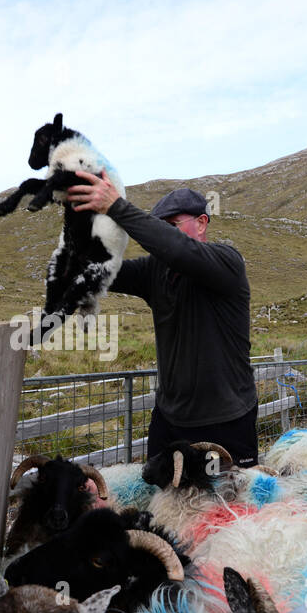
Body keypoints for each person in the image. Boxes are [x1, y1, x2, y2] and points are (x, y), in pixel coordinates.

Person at [66, 171, 258, 466]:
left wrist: (117, 206)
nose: (164, 235)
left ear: (203, 222)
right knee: (160, 505)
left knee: (229, 508)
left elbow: (178, 249)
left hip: (226, 420)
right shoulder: (154, 271)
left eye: (172, 226)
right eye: (160, 228)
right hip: (169, 421)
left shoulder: (226, 262)